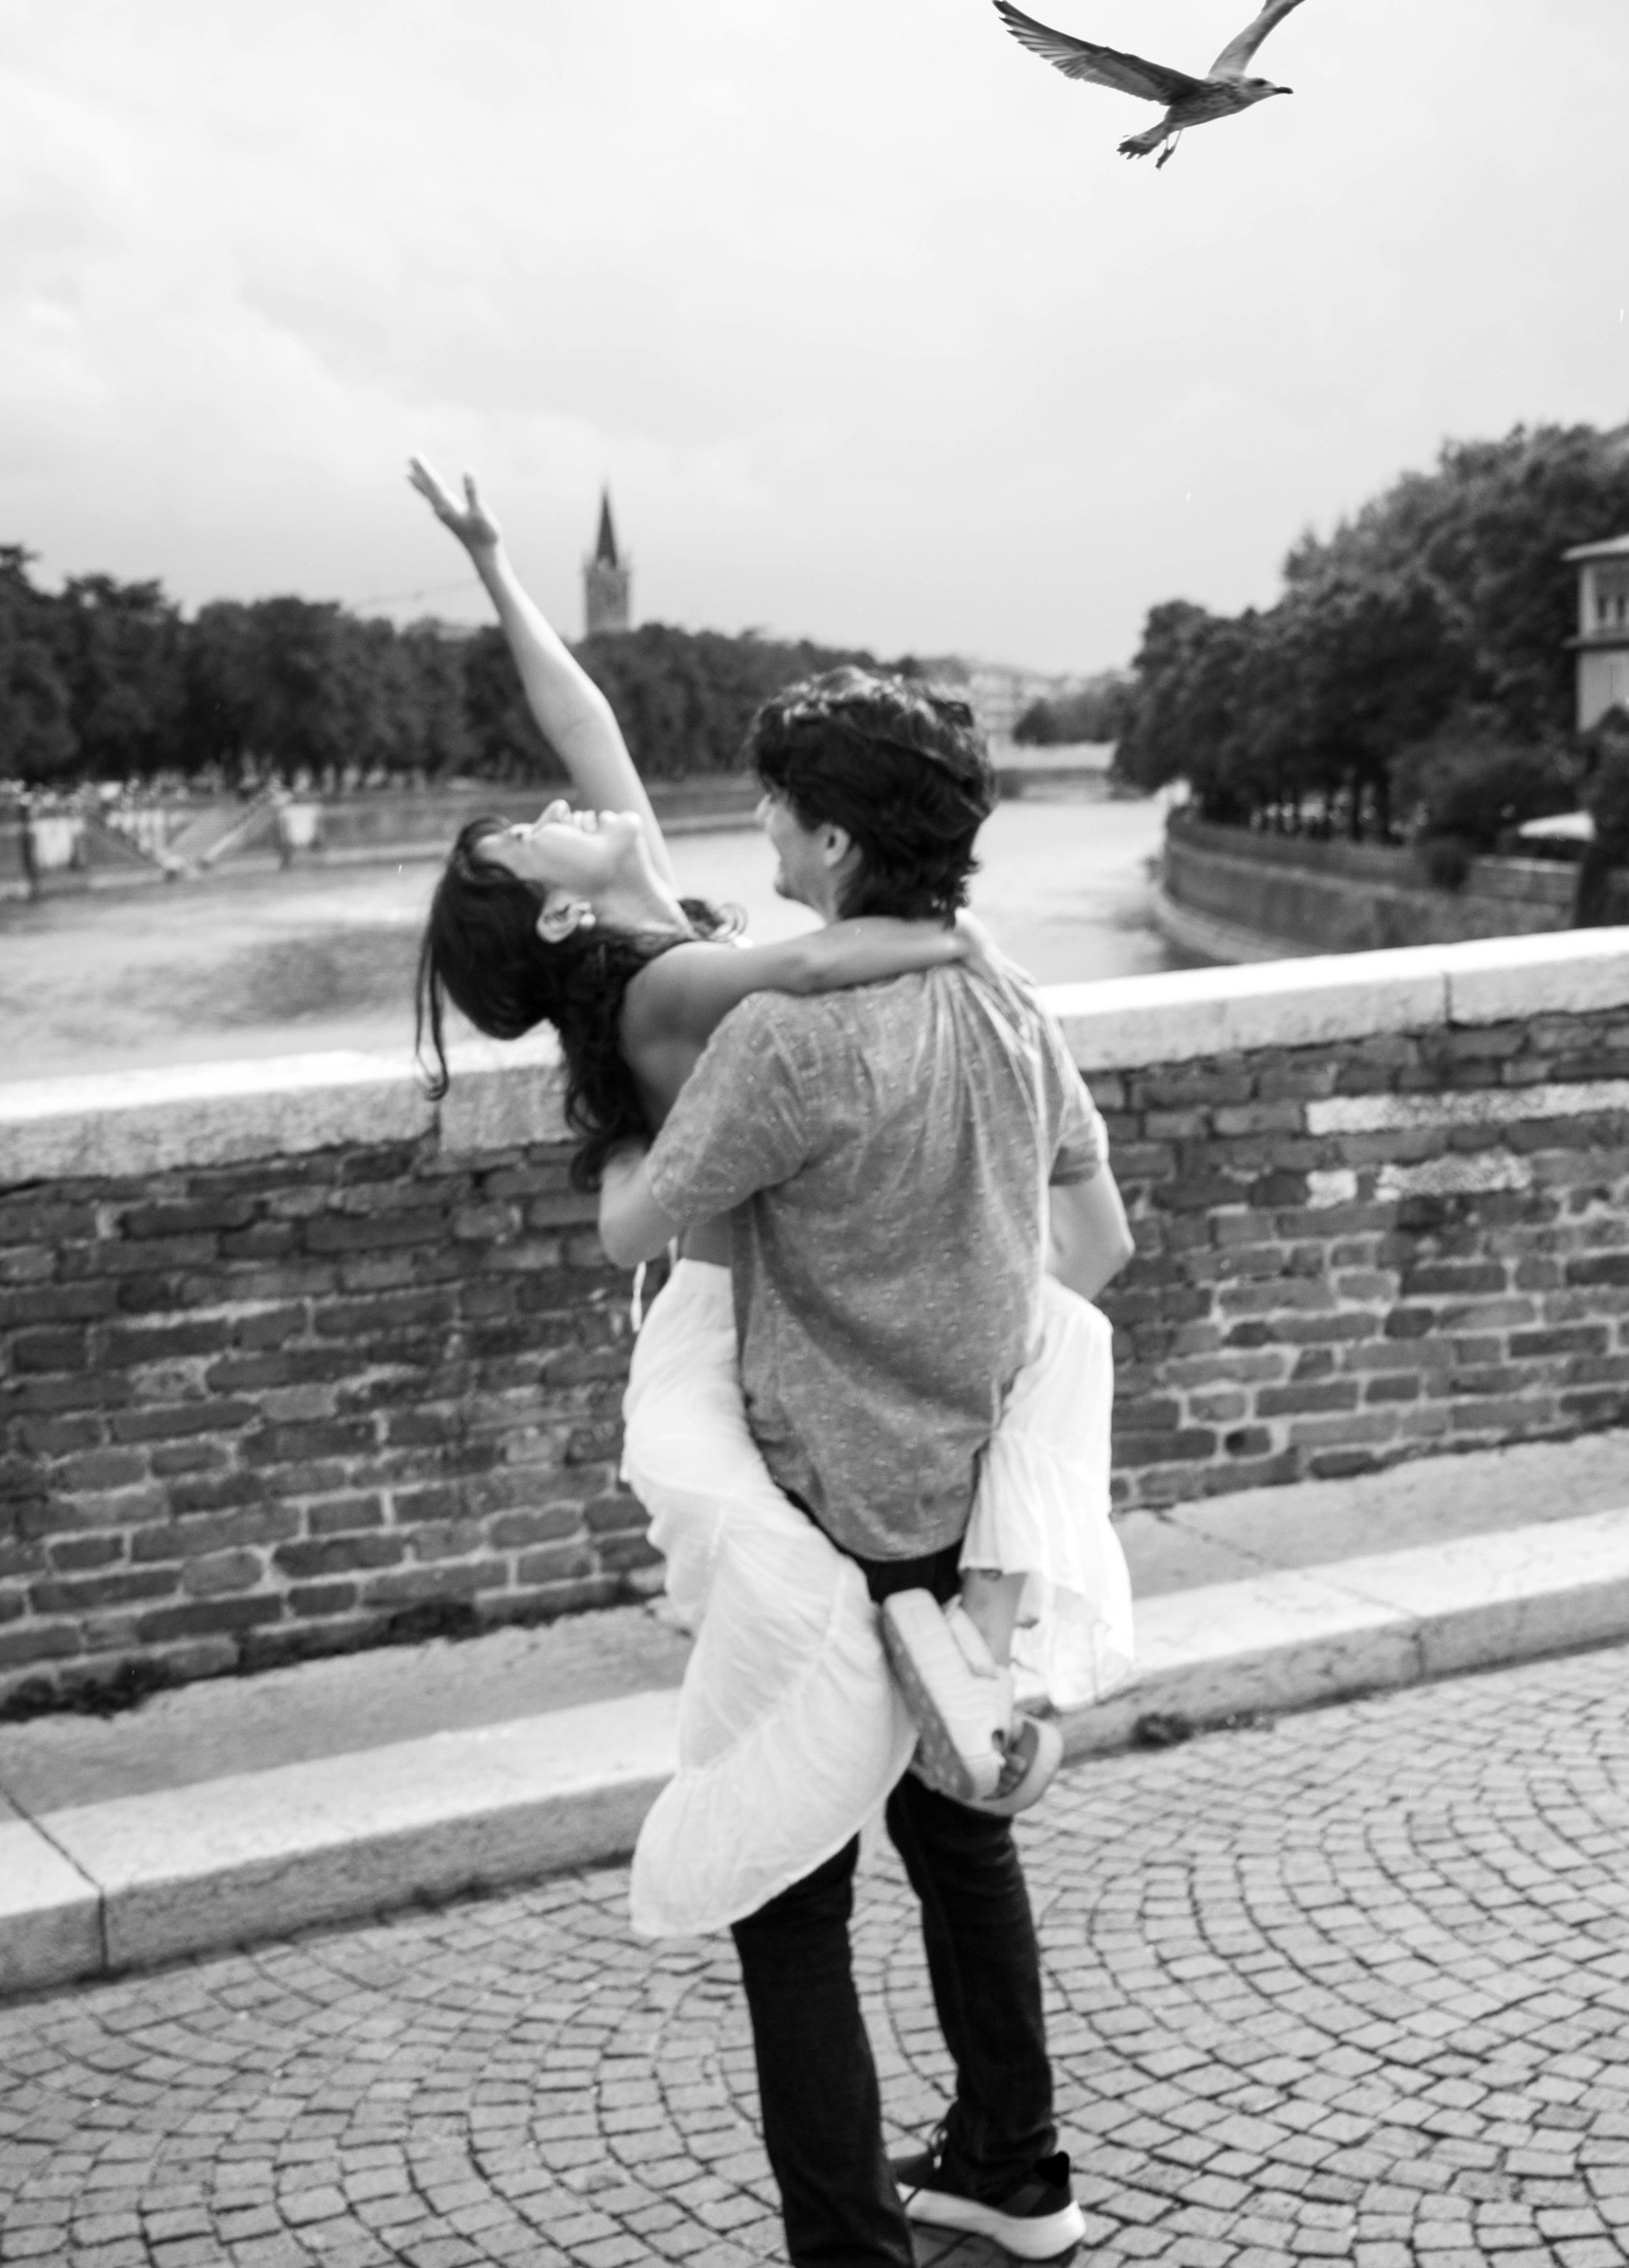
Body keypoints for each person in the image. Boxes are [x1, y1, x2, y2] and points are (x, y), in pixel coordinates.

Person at [407, 462, 1132, 1877]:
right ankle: (944, 1668)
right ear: (558, 899)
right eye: (536, 824)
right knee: (843, 1653)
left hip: (770, 1268)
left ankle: (950, 1660)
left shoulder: (650, 915)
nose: (568, 795)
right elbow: (812, 960)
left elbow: (584, 711)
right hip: (744, 1303)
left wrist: (495, 568)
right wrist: (955, 942)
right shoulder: (669, 980)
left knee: (1051, 1360)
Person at [595, 665, 1133, 2268]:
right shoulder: (1009, 1006)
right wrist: (954, 1324)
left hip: (816, 1522)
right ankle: (1016, 2165)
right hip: (961, 1512)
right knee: (960, 1837)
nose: (756, 835)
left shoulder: (784, 1039)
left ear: (828, 839)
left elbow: (630, 1227)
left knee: (789, 1900)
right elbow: (1101, 1247)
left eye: (769, 812)